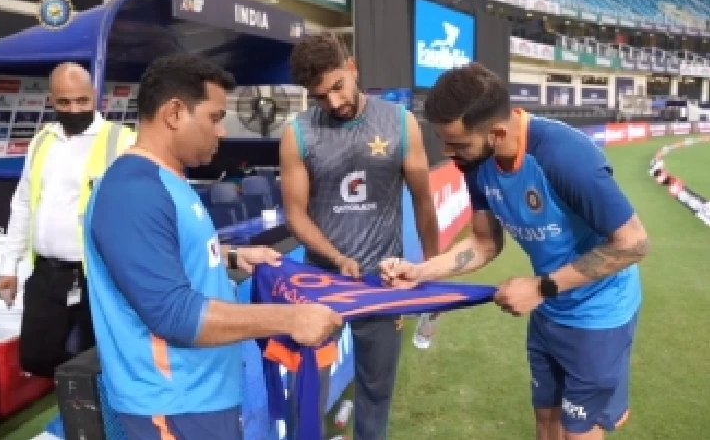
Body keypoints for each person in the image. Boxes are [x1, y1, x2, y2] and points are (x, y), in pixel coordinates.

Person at [380, 63, 648, 440]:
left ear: (498, 132)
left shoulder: (566, 156)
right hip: (549, 310)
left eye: (457, 144)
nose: (447, 152)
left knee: (578, 432)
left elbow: (634, 242)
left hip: (598, 316)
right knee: (546, 423)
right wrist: (420, 272)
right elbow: (484, 243)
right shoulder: (474, 162)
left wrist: (540, 288)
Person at [82, 54, 343, 440]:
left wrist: (232, 255)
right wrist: (292, 318)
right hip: (173, 408)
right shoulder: (132, 192)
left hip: (200, 398)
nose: (221, 132)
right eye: (215, 117)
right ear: (174, 113)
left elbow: (166, 252)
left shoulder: (164, 179)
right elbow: (175, 315)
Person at [281, 34, 439, 440]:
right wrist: (336, 258)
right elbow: (296, 216)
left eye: (337, 86)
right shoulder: (297, 134)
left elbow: (424, 202)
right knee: (306, 395)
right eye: (320, 97)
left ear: (352, 68)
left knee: (375, 395)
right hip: (321, 284)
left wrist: (431, 271)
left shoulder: (400, 122)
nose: (334, 103)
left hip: (382, 285)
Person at [0, 62, 135, 377]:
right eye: (64, 102)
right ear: (51, 100)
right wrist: (8, 268)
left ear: (95, 97)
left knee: (100, 361)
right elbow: (24, 204)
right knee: (35, 357)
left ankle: (94, 413)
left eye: (81, 101)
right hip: (47, 273)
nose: (74, 109)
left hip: (98, 275)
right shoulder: (42, 140)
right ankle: (73, 397)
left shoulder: (122, 142)